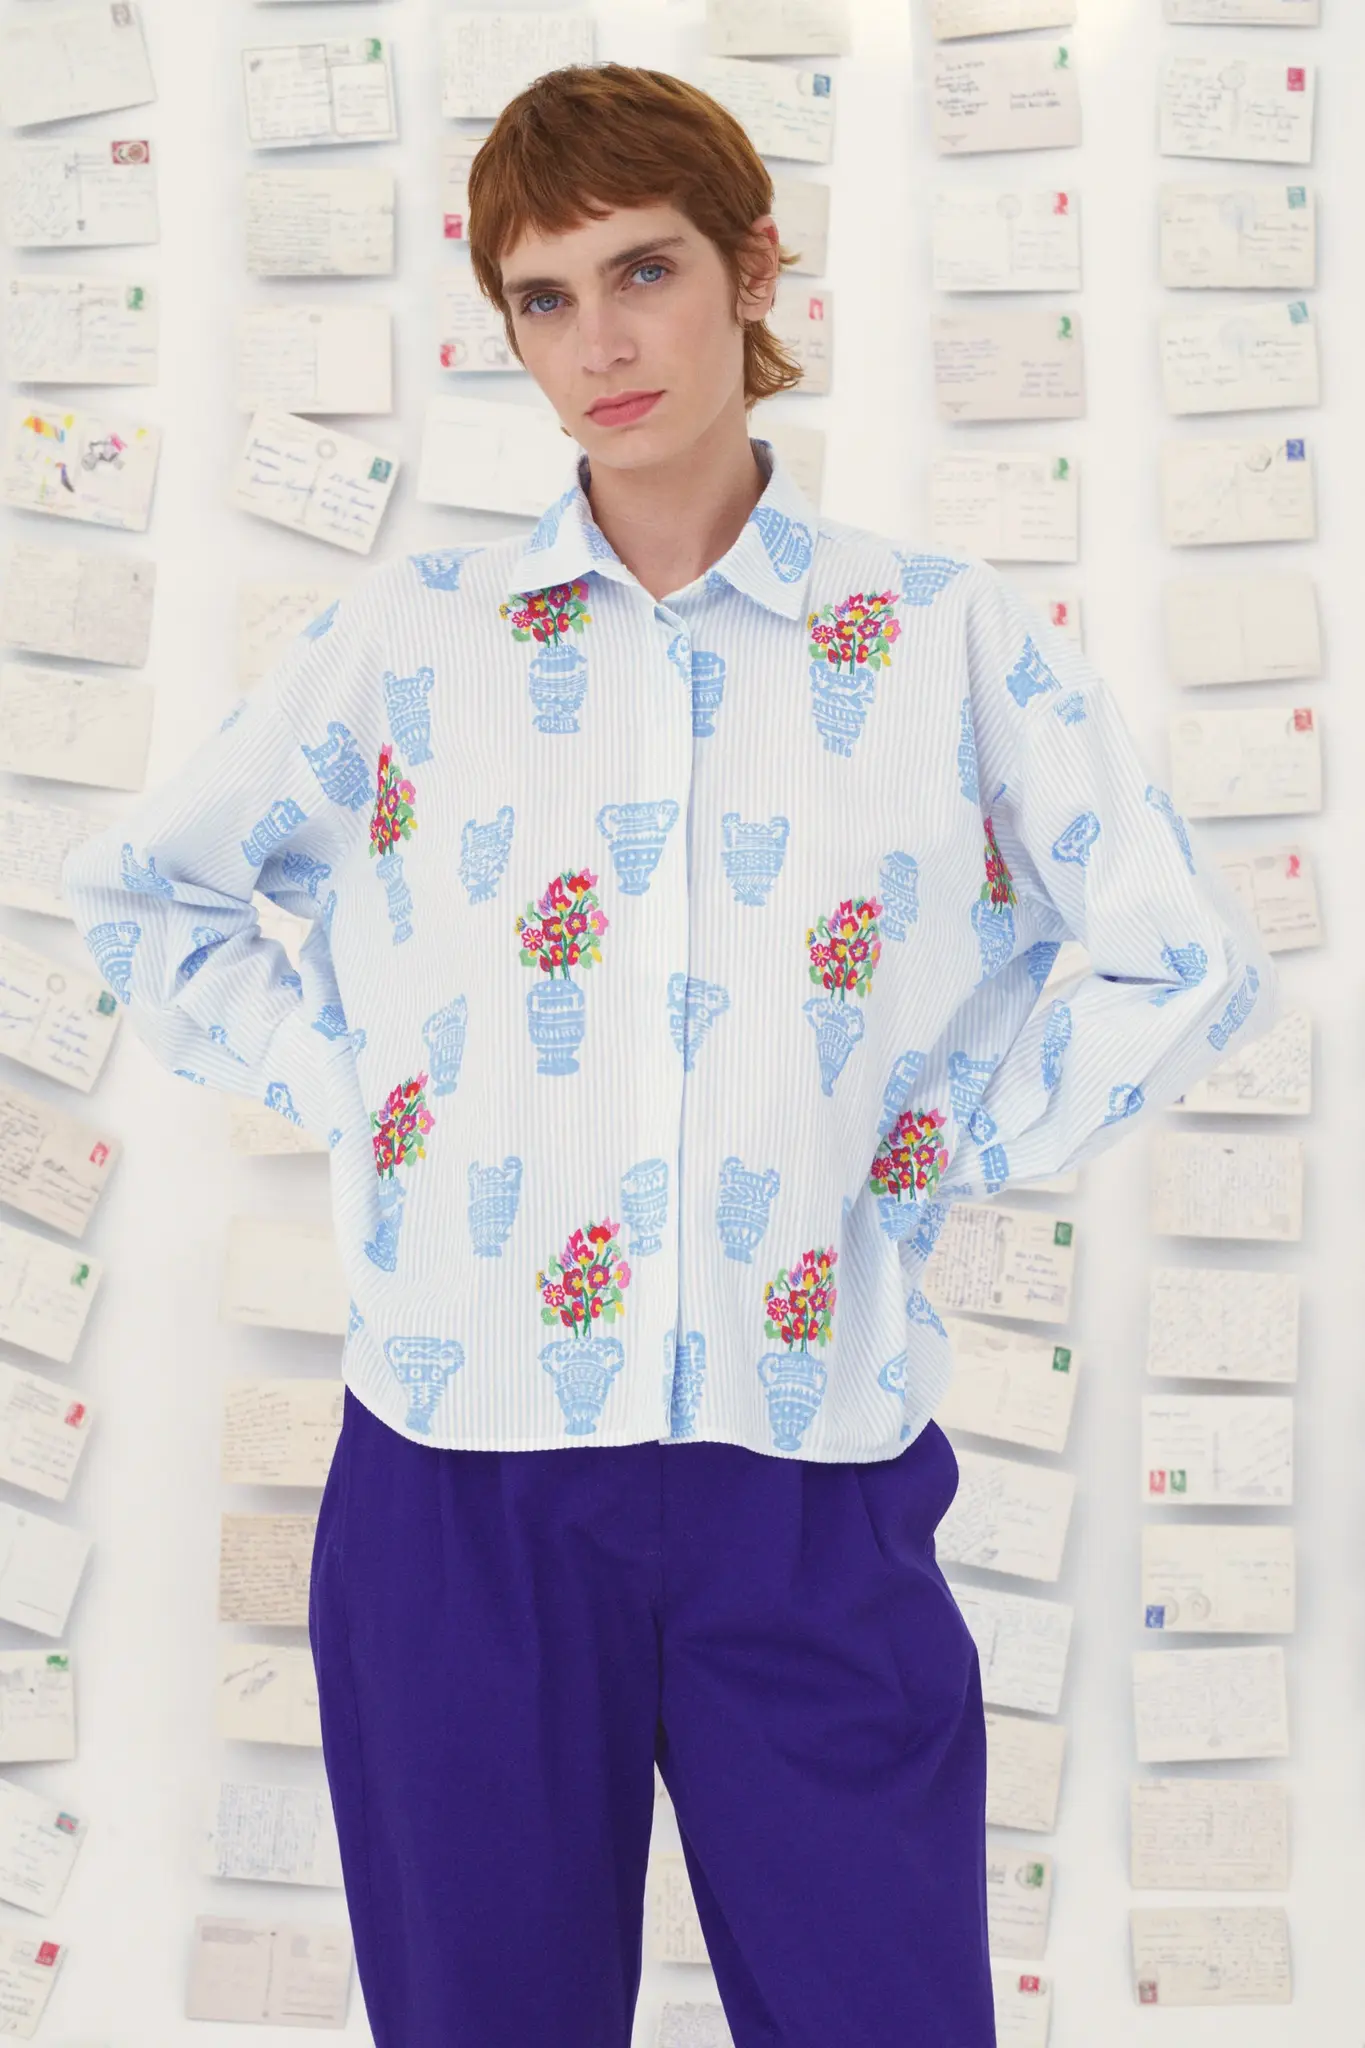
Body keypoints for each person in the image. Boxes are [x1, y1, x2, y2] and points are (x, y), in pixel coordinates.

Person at [60, 59, 1278, 2048]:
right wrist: (370, 1092)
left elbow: (1177, 954)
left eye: (643, 272)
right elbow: (145, 897)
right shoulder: (416, 641)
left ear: (751, 269)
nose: (599, 344)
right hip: (459, 1482)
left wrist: (939, 1140)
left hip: (807, 1485)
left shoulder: (939, 637)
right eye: (543, 299)